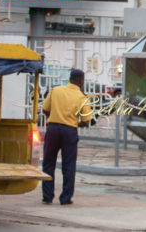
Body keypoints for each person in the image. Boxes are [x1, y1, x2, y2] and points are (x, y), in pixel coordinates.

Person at [41, 69, 92, 205]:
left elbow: (45, 109)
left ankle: (47, 196)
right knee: (68, 165)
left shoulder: (56, 90)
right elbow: (86, 121)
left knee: (48, 162)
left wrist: (54, 118)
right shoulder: (82, 97)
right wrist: (76, 123)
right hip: (69, 131)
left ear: (70, 78)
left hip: (52, 130)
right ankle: (65, 198)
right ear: (81, 81)